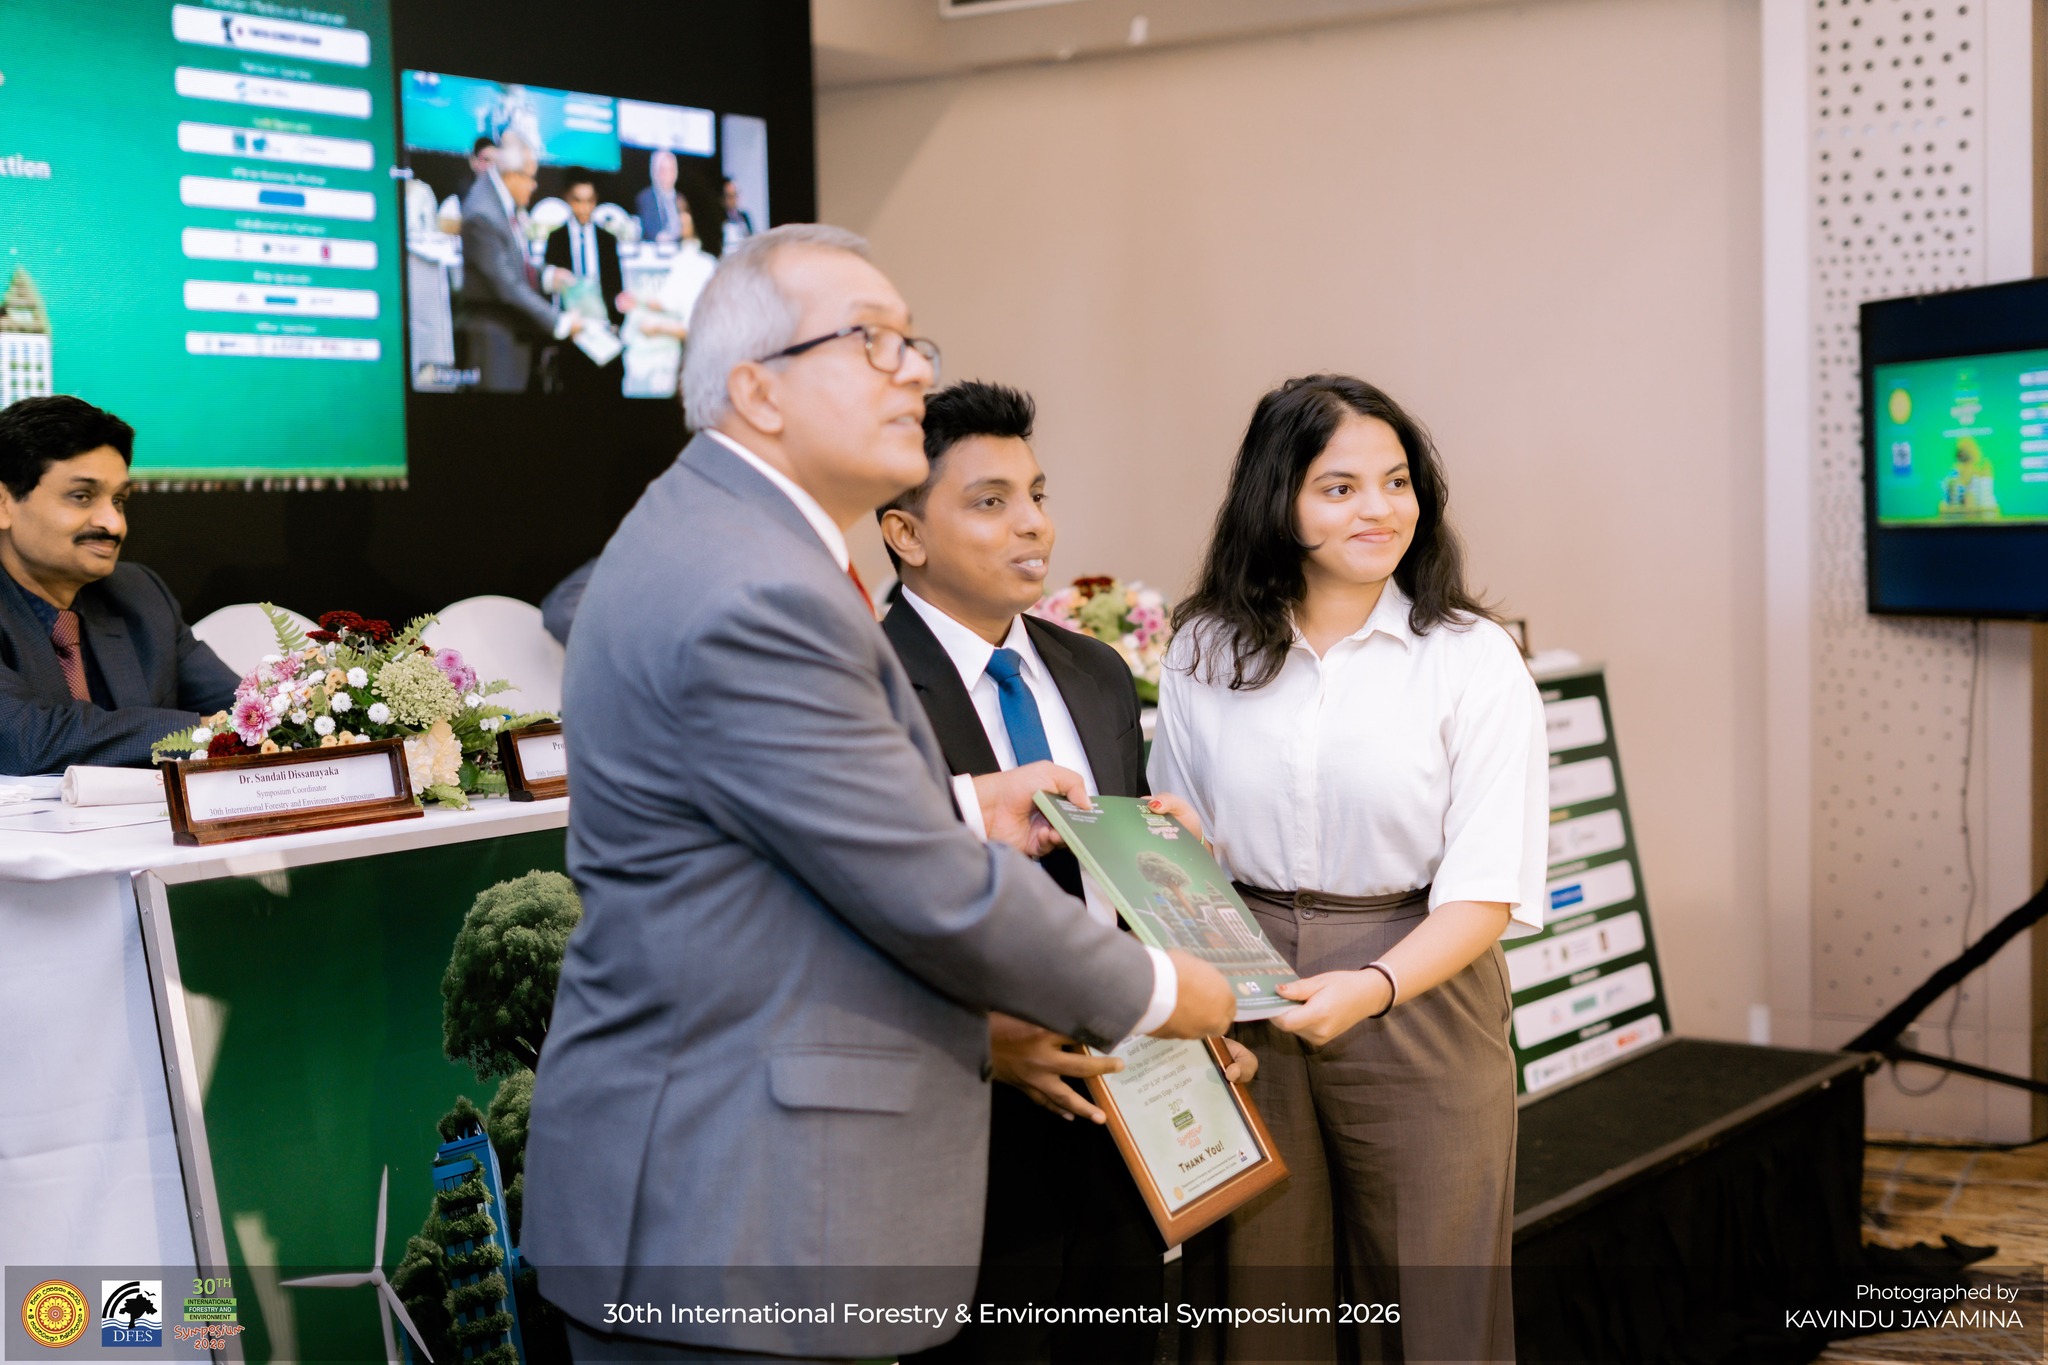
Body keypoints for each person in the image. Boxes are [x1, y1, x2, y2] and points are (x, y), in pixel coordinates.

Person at [522, 225, 1236, 1363]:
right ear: (757, 389)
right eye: (871, 342)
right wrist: (1164, 988)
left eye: (913, 342)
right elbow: (926, 892)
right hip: (724, 1203)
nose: (913, 371)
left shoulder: (733, 536)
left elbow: (781, 819)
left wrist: (964, 810)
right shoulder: (754, 583)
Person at [1149, 374, 1547, 1363]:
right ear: (1276, 500)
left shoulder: (1470, 657)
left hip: (1419, 982)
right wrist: (1179, 858)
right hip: (1243, 985)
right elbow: (1178, 845)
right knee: (1259, 1306)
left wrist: (1371, 986)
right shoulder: (1204, 647)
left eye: (1396, 481)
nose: (1378, 509)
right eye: (1339, 487)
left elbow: (1485, 889)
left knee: (1432, 1310)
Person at [878, 380, 1255, 1365]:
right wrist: (978, 1040)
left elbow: (1120, 891)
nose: (1033, 525)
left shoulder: (1092, 672)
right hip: (967, 1135)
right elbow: (826, 917)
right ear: (904, 533)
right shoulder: (854, 691)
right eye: (990, 501)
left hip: (1125, 1113)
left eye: (1037, 495)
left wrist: (1187, 930)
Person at [0, 396, 238, 773]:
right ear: (3, 504)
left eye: (119, 500)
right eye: (82, 496)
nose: (114, 524)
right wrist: (203, 733)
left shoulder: (139, 593)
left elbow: (245, 711)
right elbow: (24, 740)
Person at [456, 133, 576, 393]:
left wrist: (548, 276)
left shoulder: (500, 200)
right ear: (512, 175)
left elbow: (515, 262)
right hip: (494, 341)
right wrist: (560, 322)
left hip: (510, 335)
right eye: (531, 178)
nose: (534, 186)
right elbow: (507, 285)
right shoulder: (483, 212)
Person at [542, 174, 628, 395]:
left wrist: (617, 319)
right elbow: (550, 291)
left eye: (589, 201)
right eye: (578, 201)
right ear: (568, 200)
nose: (584, 208)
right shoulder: (556, 239)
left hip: (604, 334)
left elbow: (616, 287)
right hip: (572, 334)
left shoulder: (607, 240)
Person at [634, 149, 683, 243]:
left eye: (671, 170)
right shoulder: (645, 198)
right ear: (654, 172)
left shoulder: (680, 198)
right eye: (663, 170)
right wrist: (661, 238)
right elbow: (647, 229)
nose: (668, 175)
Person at [721, 175, 756, 251]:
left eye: (736, 194)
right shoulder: (720, 219)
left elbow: (752, 238)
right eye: (730, 196)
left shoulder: (744, 216)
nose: (734, 199)